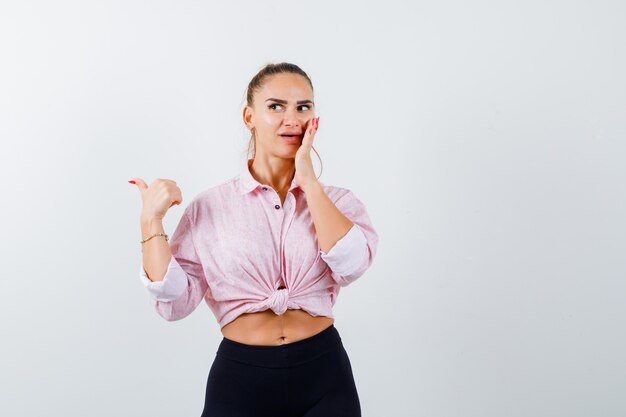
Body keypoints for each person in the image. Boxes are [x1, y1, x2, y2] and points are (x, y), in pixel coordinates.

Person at [130, 62, 379, 417]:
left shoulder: (338, 202)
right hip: (240, 381)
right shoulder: (210, 207)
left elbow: (351, 266)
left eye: (302, 107)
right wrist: (149, 220)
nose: (291, 118)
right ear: (249, 116)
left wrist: (308, 182)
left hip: (324, 376)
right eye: (276, 106)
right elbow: (175, 301)